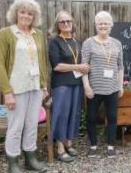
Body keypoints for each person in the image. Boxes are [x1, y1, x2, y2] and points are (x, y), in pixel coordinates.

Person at [0, 0, 48, 173]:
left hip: (35, 87)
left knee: (32, 124)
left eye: (30, 13)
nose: (26, 16)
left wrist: (44, 85)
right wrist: (7, 92)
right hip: (16, 88)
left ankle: (30, 159)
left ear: (34, 17)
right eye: (22, 11)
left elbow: (42, 61)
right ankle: (13, 163)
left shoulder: (38, 34)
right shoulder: (6, 33)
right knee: (15, 126)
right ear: (16, 12)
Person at [81, 11, 124, 158]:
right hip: (94, 88)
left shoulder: (117, 43)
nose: (103, 25)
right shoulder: (88, 43)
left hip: (112, 88)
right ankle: (93, 146)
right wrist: (86, 86)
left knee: (112, 117)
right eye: (100, 23)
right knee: (92, 117)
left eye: (106, 23)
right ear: (95, 25)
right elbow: (84, 66)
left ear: (111, 25)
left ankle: (110, 145)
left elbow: (120, 67)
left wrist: (121, 86)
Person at [48, 10, 89, 162]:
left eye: (68, 21)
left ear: (72, 23)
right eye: (62, 22)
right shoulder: (55, 42)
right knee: (61, 114)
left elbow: (83, 64)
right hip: (61, 84)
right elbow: (56, 66)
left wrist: (85, 68)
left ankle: (68, 143)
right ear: (58, 25)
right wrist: (78, 67)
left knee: (74, 113)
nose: (66, 24)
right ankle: (59, 148)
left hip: (76, 84)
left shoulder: (77, 42)